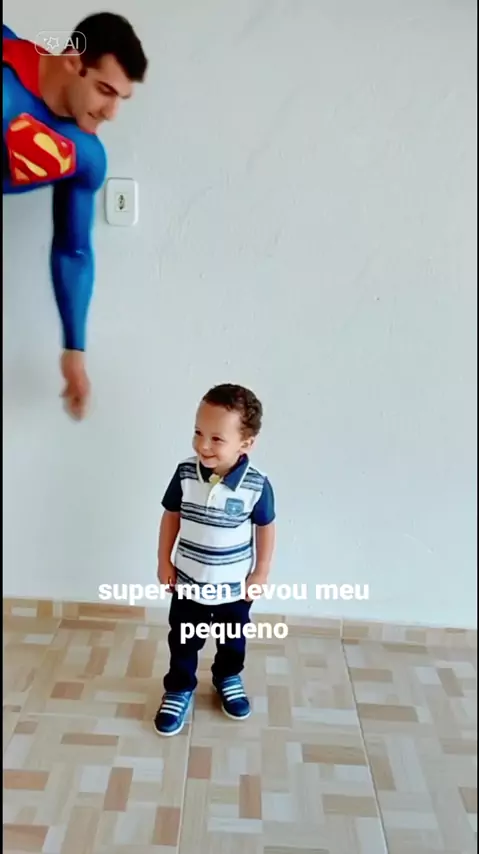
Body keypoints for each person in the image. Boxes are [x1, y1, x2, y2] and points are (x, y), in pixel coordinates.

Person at [3, 14, 147, 419]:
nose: (111, 113)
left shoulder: (84, 157)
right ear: (72, 60)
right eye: (104, 90)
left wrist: (74, 350)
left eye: (121, 98)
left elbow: (74, 250)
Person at [154, 383, 276, 736]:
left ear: (245, 444)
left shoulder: (256, 485)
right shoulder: (185, 474)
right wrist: (164, 561)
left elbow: (266, 527)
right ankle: (179, 687)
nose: (202, 445)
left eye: (217, 438)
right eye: (198, 432)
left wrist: (260, 573)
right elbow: (171, 515)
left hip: (234, 589)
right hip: (188, 583)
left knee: (232, 639)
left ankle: (227, 677)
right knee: (183, 640)